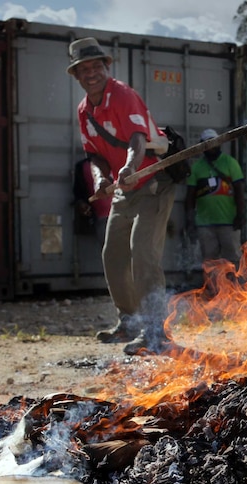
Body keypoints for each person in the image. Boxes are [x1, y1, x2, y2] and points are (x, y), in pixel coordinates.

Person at [67, 37, 176, 355]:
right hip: (124, 189)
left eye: (96, 66)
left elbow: (137, 139)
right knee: (112, 255)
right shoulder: (84, 111)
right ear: (76, 76)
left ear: (106, 67)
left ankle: (156, 331)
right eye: (84, 69)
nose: (91, 73)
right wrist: (101, 178)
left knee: (143, 254)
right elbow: (93, 154)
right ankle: (129, 321)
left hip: (152, 181)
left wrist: (129, 166)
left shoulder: (123, 95)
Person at [184, 129, 246, 266]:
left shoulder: (230, 163)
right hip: (205, 224)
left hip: (229, 222)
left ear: (219, 144)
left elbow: (239, 190)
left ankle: (236, 287)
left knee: (233, 259)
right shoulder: (196, 168)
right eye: (206, 143)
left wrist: (240, 215)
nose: (211, 146)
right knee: (210, 263)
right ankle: (213, 288)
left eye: (213, 142)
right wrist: (190, 220)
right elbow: (190, 196)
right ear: (201, 146)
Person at [72, 157, 112, 246]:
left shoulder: (115, 158)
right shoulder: (82, 166)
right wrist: (81, 204)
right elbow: (78, 193)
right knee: (110, 253)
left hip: (123, 215)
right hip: (101, 218)